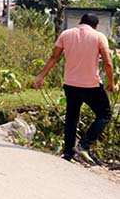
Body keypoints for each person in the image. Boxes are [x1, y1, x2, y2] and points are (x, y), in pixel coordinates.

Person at [34, 13, 115, 163]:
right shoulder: (99, 37)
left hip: (70, 84)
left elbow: (54, 57)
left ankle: (68, 154)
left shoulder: (66, 34)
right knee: (104, 115)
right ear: (95, 26)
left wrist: (41, 77)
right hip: (91, 85)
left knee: (72, 118)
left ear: (80, 22)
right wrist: (111, 82)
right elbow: (108, 62)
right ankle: (84, 145)